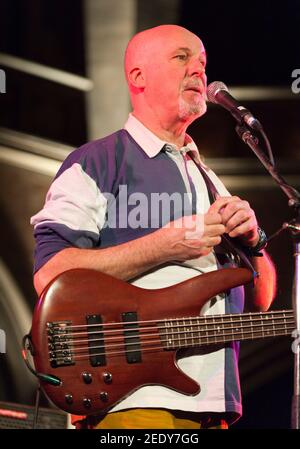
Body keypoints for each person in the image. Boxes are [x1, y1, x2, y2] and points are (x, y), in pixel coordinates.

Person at [30, 24, 276, 429]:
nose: (199, 70)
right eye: (182, 58)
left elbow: (260, 302)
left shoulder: (213, 181)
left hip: (217, 405)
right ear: (138, 77)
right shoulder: (95, 162)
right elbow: (51, 273)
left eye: (202, 62)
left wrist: (255, 241)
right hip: (134, 401)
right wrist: (164, 245)